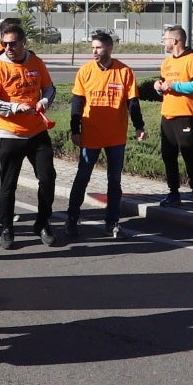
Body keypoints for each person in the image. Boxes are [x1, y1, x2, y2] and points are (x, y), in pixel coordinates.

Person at [0, 19, 57, 250]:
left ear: (23, 42)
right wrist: (14, 108)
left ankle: (42, 223)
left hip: (37, 132)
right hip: (10, 133)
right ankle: (7, 227)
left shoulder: (36, 62)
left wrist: (44, 101)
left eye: (13, 44)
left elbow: (49, 88)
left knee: (48, 177)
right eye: (5, 44)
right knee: (8, 185)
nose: (8, 48)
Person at [66, 30, 145, 239]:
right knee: (82, 177)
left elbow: (132, 103)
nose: (94, 51)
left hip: (115, 136)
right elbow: (77, 104)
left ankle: (112, 223)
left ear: (109, 48)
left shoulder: (124, 72)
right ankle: (72, 218)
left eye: (98, 48)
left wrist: (139, 126)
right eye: (92, 48)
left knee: (114, 181)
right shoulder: (85, 71)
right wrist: (75, 130)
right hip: (90, 135)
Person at [153, 24, 193, 209]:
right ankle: (173, 193)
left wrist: (174, 85)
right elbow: (164, 84)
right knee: (168, 155)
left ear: (175, 40)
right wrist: (158, 87)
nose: (163, 42)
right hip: (167, 115)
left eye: (165, 39)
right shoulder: (166, 62)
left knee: (189, 154)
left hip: (185, 115)